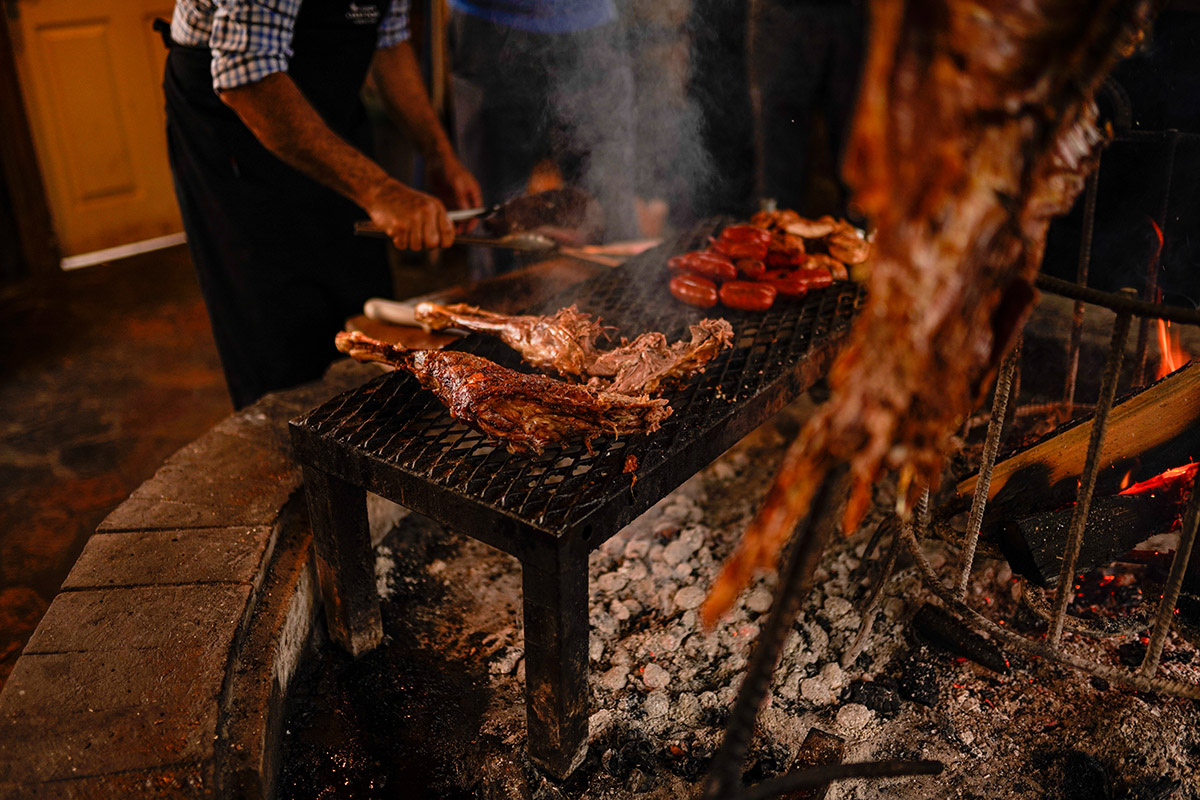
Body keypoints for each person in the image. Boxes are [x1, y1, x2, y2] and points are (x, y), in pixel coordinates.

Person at [162, 0, 481, 409]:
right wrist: (380, 191)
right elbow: (247, 78)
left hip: (330, 111)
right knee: (278, 340)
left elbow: (389, 40)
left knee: (363, 317)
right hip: (236, 135)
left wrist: (440, 156)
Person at [447, 0, 638, 279]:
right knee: (492, 226)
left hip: (592, 29)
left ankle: (622, 307)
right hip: (487, 29)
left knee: (610, 217)